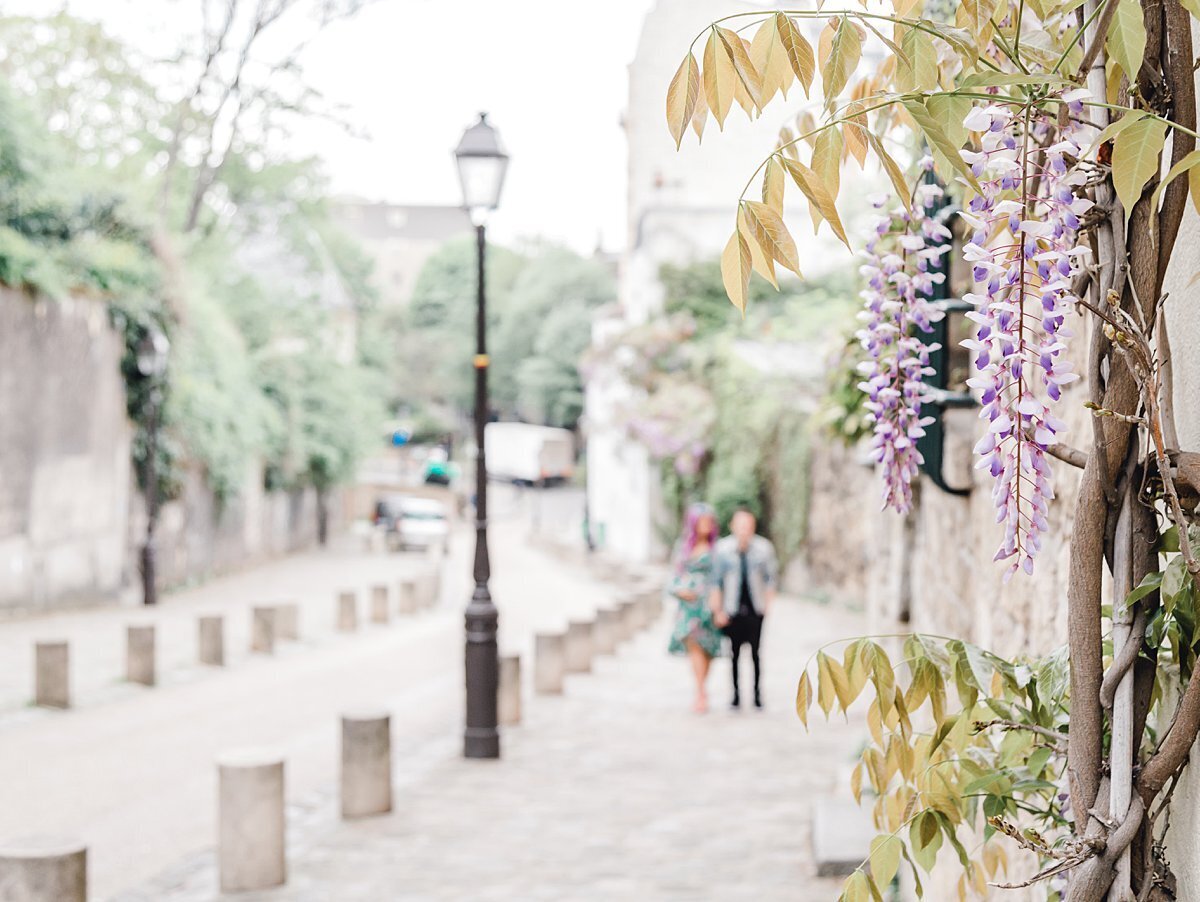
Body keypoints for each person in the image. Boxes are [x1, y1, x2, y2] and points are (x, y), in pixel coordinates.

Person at [710, 508, 778, 710]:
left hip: (755, 609)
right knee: (734, 655)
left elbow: (770, 578)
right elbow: (716, 583)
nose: (744, 530)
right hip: (732, 609)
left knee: (756, 654)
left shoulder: (763, 548)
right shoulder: (722, 550)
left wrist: (767, 606)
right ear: (732, 526)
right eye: (740, 526)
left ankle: (757, 695)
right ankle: (736, 695)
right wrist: (718, 611)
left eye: (747, 526)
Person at [667, 503, 723, 714]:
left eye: (709, 521)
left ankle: (702, 688)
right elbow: (673, 577)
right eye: (702, 521)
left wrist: (718, 607)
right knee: (694, 647)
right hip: (689, 607)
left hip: (708, 605)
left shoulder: (716, 549)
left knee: (707, 650)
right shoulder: (683, 548)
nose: (706, 525)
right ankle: (700, 692)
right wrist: (681, 591)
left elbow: (719, 580)